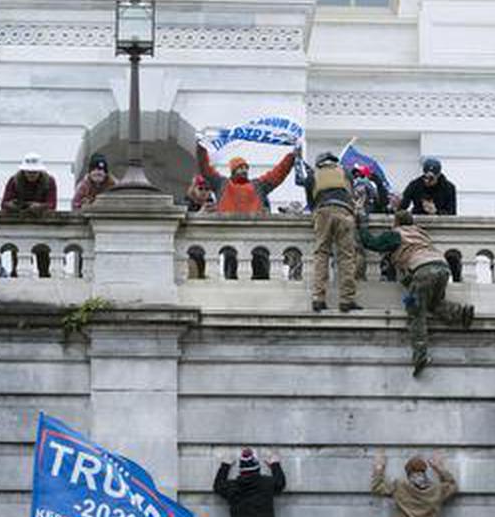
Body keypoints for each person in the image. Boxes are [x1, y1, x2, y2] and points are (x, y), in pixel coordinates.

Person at [359, 210, 475, 376]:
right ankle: (461, 312)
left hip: (422, 271)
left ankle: (420, 354)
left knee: (415, 311)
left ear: (396, 223)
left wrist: (362, 226)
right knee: (432, 303)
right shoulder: (421, 234)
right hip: (442, 268)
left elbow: (372, 243)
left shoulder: (396, 234)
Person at [298, 149, 361, 312]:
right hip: (344, 211)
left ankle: (318, 298)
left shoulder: (313, 175)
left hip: (323, 211)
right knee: (346, 256)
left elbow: (311, 203)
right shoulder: (345, 172)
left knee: (321, 254)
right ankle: (347, 300)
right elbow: (351, 193)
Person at [194, 143, 295, 215]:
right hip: (227, 232)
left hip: (253, 233)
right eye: (240, 168)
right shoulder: (221, 184)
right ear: (233, 170)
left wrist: (291, 157)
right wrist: (202, 148)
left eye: (246, 168)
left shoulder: (258, 185)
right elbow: (206, 169)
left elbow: (277, 174)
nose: (244, 170)